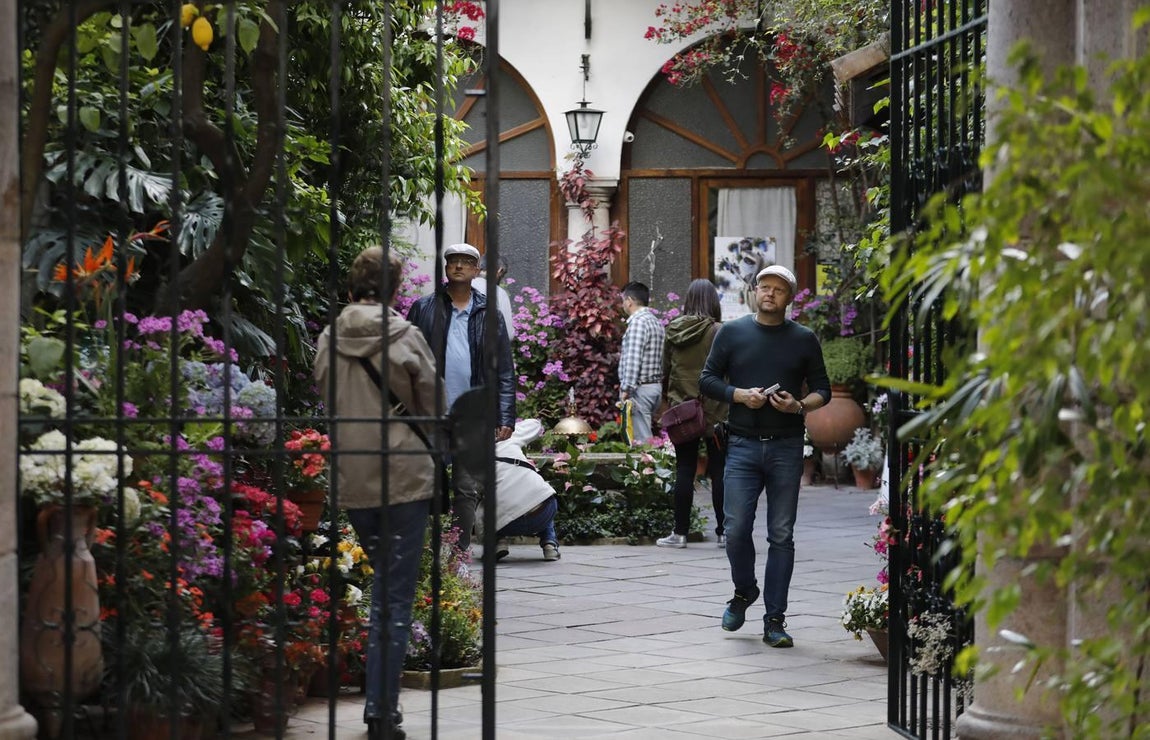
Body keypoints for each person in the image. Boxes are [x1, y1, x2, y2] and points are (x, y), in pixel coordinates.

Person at [313, 247, 440, 740]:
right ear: (393, 290)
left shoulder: (329, 339)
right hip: (406, 477)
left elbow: (326, 401)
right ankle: (382, 712)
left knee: (382, 594)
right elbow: (433, 406)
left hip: (355, 477)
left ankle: (380, 706)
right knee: (395, 599)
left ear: (350, 288)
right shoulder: (406, 336)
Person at [699, 264, 831, 649]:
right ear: (754, 292)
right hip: (740, 445)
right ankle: (744, 592)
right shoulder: (732, 333)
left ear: (789, 297)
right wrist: (739, 395)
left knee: (781, 535)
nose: (769, 294)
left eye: (778, 289)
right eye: (763, 287)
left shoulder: (803, 338)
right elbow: (707, 380)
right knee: (735, 529)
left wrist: (799, 405)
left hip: (787, 446)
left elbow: (823, 389)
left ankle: (775, 619)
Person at [406, 242, 516, 552]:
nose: (458, 266)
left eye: (466, 262)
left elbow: (504, 370)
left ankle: (457, 554)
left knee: (467, 488)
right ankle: (428, 551)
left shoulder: (489, 313)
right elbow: (406, 362)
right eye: (452, 261)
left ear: (476, 270)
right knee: (430, 483)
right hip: (432, 412)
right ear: (445, 268)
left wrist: (505, 415)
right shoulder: (423, 308)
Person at [656, 279, 728, 549]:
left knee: (684, 469)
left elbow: (665, 370)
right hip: (717, 411)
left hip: (682, 411)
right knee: (720, 471)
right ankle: (724, 533)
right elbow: (728, 368)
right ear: (713, 301)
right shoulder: (719, 331)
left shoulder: (673, 330)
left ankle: (680, 533)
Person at [475, 418, 561, 562]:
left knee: (484, 504)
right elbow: (535, 424)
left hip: (509, 523)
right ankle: (549, 544)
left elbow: (475, 492)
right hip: (542, 513)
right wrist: (506, 427)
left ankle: (498, 542)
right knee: (540, 492)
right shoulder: (508, 439)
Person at [617, 281, 665, 445]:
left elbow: (633, 357)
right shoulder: (655, 322)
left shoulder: (638, 322)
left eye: (623, 300)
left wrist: (626, 388)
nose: (623, 304)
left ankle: (648, 470)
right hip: (654, 387)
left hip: (640, 390)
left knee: (641, 444)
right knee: (644, 438)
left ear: (629, 300)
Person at [471, 254, 515, 341]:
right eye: (502, 275)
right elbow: (508, 334)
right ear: (499, 270)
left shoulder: (463, 286)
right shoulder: (500, 293)